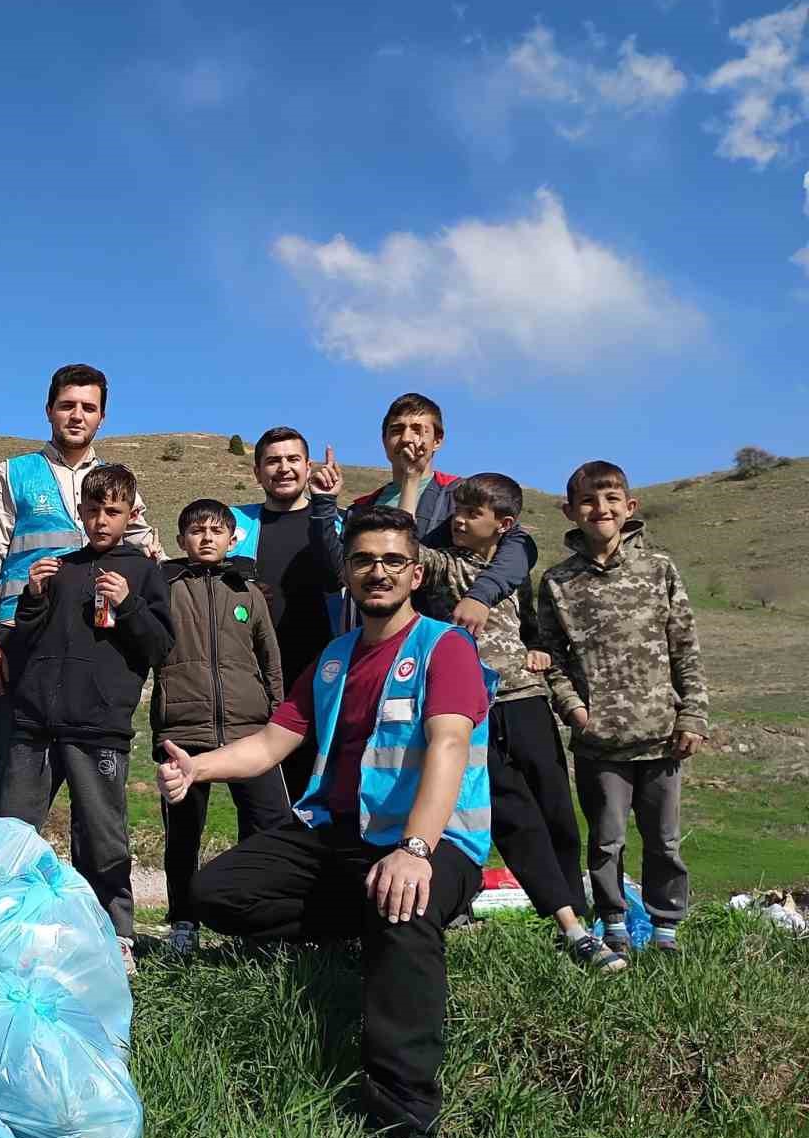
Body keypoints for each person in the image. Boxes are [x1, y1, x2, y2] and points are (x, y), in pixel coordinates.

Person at [159, 506, 495, 1138]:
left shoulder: (444, 648)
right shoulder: (335, 658)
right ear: (348, 574)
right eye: (364, 560)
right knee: (215, 893)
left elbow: (450, 745)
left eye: (393, 560)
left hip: (432, 843)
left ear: (415, 574)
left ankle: (405, 1122)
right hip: (339, 835)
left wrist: (415, 850)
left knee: (403, 914)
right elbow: (270, 744)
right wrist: (199, 768)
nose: (378, 571)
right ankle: (358, 920)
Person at [410, 473, 625, 973]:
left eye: (472, 514)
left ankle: (580, 917)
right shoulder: (444, 565)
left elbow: (532, 627)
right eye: (457, 511)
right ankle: (566, 923)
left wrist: (539, 650)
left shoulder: (512, 570)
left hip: (526, 699)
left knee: (557, 809)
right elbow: (409, 549)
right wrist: (411, 482)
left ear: (502, 525)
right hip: (475, 710)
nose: (459, 521)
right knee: (512, 813)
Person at [0, 464, 174, 975]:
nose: (101, 520)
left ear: (130, 514)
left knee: (101, 838)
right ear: (80, 511)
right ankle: (5, 929)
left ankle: (115, 936)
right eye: (92, 510)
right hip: (34, 725)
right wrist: (31, 597)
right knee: (12, 831)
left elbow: (160, 647)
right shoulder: (60, 568)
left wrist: (129, 604)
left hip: (98, 728)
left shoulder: (144, 571)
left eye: (112, 511)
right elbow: (24, 642)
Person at [536, 460, 708, 956]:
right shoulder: (558, 582)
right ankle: (612, 921)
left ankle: (666, 928)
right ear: (570, 511)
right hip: (599, 742)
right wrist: (574, 710)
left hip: (660, 734)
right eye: (588, 501)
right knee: (606, 839)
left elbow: (685, 647)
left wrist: (693, 714)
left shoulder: (659, 570)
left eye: (611, 499)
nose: (601, 509)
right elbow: (551, 657)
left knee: (664, 840)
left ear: (630, 507)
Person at [0, 364, 155, 776]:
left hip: (94, 642)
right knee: (16, 781)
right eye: (67, 405)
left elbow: (145, 555)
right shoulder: (11, 473)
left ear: (102, 417)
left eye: (88, 407)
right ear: (49, 410)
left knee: (94, 788)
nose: (77, 415)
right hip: (21, 637)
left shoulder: (119, 485)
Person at [151, 498, 288, 957]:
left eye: (216, 531)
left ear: (232, 539)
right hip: (183, 732)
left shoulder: (249, 593)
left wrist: (279, 718)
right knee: (183, 835)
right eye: (196, 531)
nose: (206, 538)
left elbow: (270, 660)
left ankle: (262, 927)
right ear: (181, 540)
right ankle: (184, 924)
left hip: (252, 733)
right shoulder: (165, 588)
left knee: (268, 827)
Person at [309, 392, 536, 639]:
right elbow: (337, 574)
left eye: (418, 430)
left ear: (437, 440)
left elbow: (520, 546)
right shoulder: (363, 508)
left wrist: (481, 596)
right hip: (371, 637)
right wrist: (324, 502)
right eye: (397, 430)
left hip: (440, 638)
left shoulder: (461, 497)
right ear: (384, 440)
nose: (407, 438)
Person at [225, 426, 333, 800]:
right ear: (257, 472)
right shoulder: (233, 523)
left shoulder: (335, 521)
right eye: (272, 461)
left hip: (325, 674)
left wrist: (327, 502)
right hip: (254, 679)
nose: (283, 468)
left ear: (308, 466)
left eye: (292, 459)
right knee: (261, 798)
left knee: (319, 790)